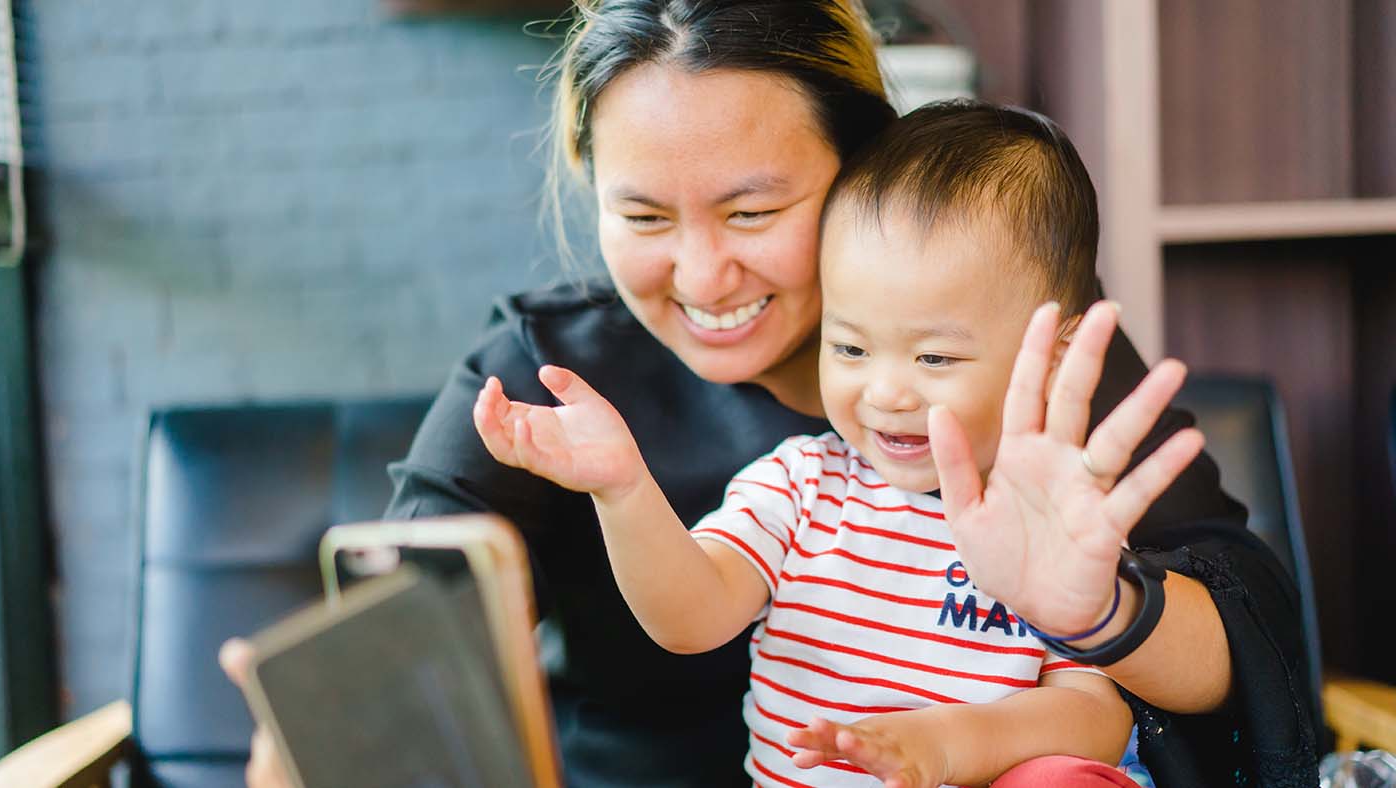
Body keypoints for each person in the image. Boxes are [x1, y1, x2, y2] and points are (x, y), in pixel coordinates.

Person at [219, 2, 1318, 786]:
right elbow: (399, 624)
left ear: (860, 165)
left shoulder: (1007, 358)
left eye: (751, 213)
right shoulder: (543, 377)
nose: (701, 281)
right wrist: (322, 708)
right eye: (643, 218)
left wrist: (1101, 611)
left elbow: (1239, 635)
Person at [473, 99, 1156, 787]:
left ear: (1056, 357)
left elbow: (1099, 716)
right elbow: (690, 616)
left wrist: (951, 742)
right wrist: (622, 489)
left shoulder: (1060, 517)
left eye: (935, 359)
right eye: (851, 346)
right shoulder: (803, 487)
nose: (885, 392)